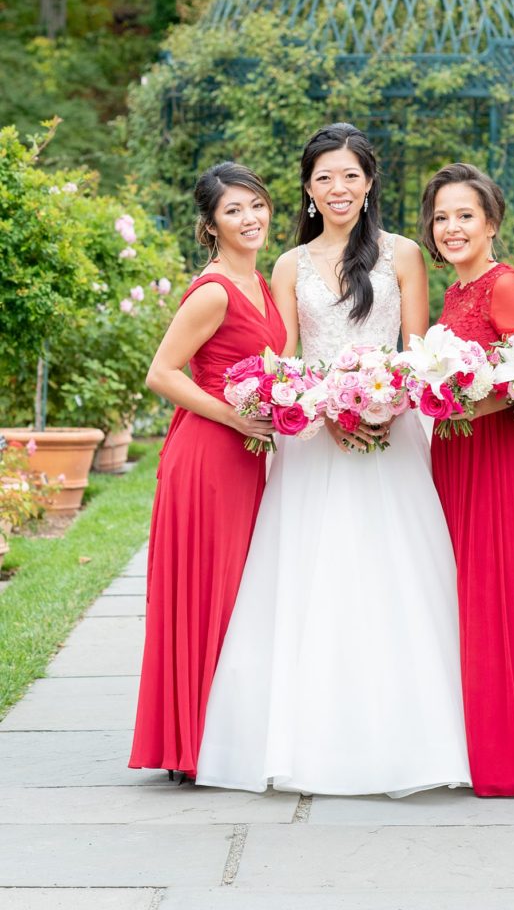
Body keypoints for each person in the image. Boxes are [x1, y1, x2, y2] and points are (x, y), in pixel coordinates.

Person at [196, 123, 469, 796]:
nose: (338, 188)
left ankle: (412, 739)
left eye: (349, 175)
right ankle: (302, 738)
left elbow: (417, 351)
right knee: (311, 577)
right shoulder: (288, 264)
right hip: (314, 438)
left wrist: (378, 404)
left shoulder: (405, 255)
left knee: (393, 573)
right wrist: (327, 409)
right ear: (309, 190)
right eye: (324, 178)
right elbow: (283, 360)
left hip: (391, 433)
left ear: (370, 181)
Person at [129, 163, 287, 782]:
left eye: (256, 206)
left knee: (236, 592)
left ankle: (215, 737)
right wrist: (236, 418)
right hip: (209, 455)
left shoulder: (260, 283)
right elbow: (162, 373)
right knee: (206, 588)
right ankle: (187, 746)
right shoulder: (216, 288)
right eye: (233, 212)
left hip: (245, 454)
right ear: (210, 225)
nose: (250, 220)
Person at [421, 163, 514, 798]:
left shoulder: (507, 287)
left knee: (503, 598)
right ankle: (474, 739)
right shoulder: (453, 294)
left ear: (492, 222)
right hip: (456, 460)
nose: (451, 228)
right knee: (467, 598)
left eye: (464, 215)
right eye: (441, 217)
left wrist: (466, 405)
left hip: (500, 463)